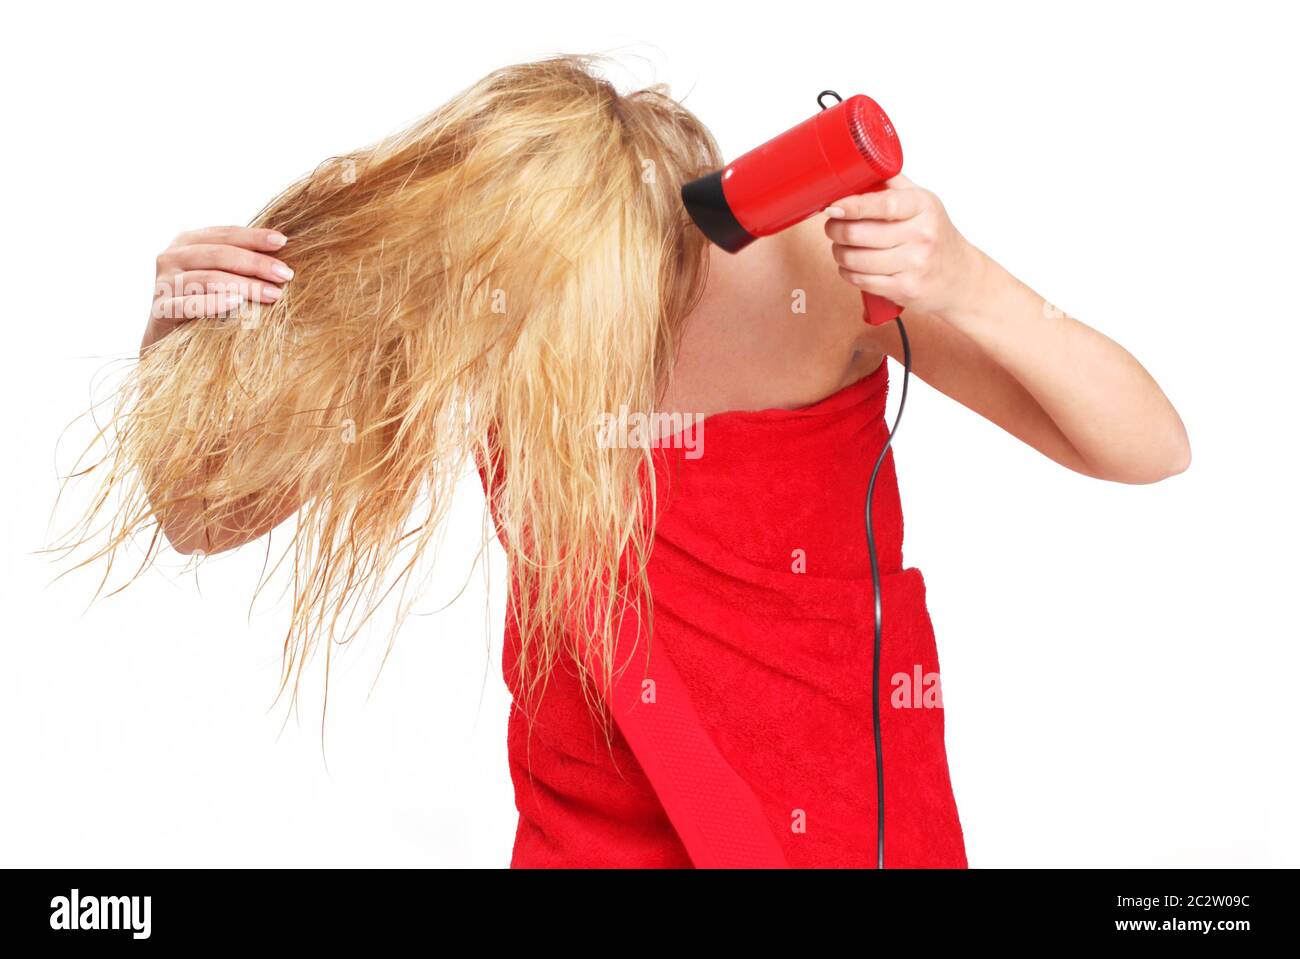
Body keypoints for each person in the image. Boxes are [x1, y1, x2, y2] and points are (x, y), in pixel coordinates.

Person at [80, 55, 1189, 868]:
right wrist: (179, 347)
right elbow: (200, 517)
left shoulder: (809, 272)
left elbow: (1150, 446)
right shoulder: (488, 300)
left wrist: (968, 281)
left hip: (845, 823)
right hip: (586, 826)